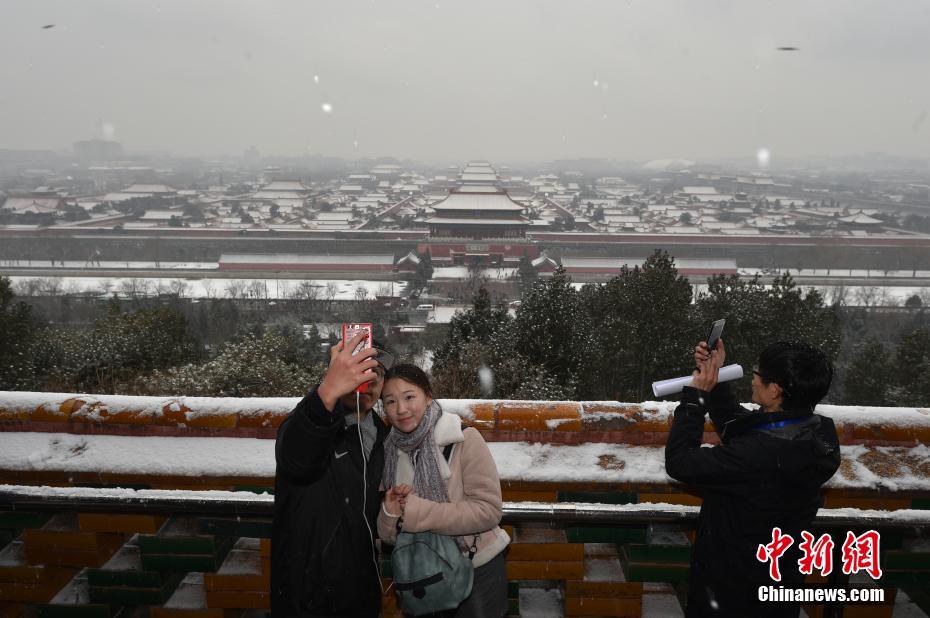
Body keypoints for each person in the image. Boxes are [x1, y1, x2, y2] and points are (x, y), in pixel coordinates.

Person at [665, 339, 841, 618]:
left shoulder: (760, 453)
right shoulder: (814, 431)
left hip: (733, 588)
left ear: (775, 390)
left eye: (758, 374)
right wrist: (716, 376)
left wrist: (695, 398)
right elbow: (737, 425)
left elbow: (680, 462)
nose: (753, 379)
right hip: (775, 579)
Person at [272, 331, 395, 617]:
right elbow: (298, 460)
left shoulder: (381, 436)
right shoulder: (310, 421)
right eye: (360, 370)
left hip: (361, 592)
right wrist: (327, 392)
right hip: (309, 595)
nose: (370, 379)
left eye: (377, 372)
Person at [377, 364, 510, 617]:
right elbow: (390, 537)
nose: (401, 409)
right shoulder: (389, 451)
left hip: (476, 567)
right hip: (424, 576)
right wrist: (390, 513)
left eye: (409, 397)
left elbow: (489, 511)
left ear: (428, 396)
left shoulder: (463, 439)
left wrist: (417, 512)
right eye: (390, 401)